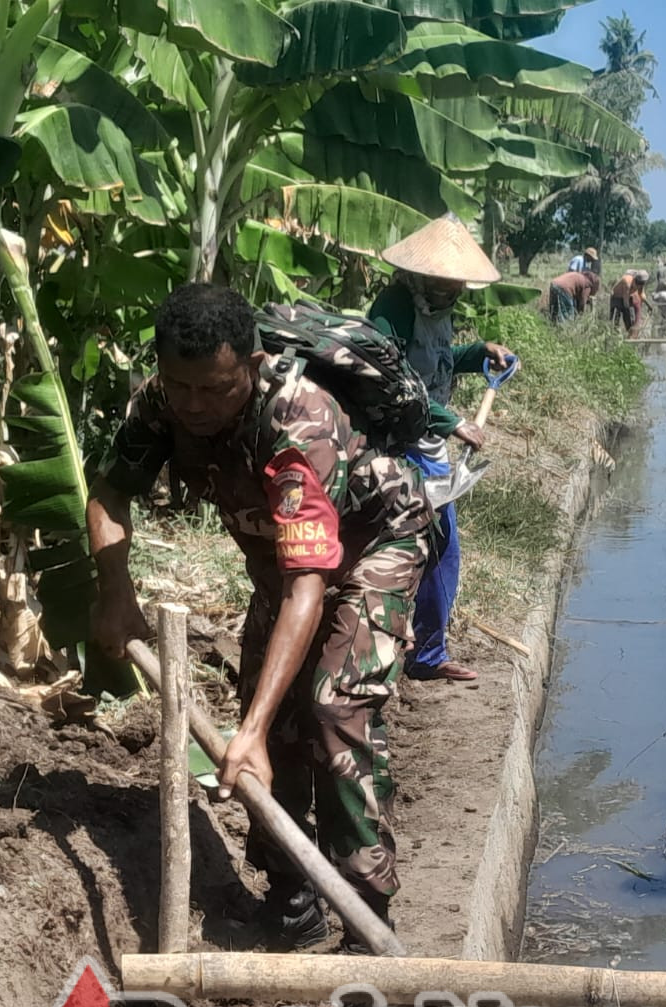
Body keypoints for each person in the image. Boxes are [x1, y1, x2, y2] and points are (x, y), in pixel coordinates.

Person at [88, 283, 433, 947]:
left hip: (374, 543)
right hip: (283, 559)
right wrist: (115, 591)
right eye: (180, 386)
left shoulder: (299, 421)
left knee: (334, 708)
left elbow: (310, 586)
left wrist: (247, 730)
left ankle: (366, 915)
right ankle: (292, 894)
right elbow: (109, 492)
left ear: (251, 364)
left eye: (215, 389)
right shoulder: (162, 403)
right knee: (269, 726)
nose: (194, 405)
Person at [368, 214, 515, 684]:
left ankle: (426, 652)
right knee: (420, 547)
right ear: (422, 275)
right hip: (396, 445)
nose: (451, 291)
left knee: (441, 550)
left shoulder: (437, 308)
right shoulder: (393, 308)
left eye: (456, 285)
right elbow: (391, 382)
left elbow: (438, 362)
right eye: (444, 283)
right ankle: (403, 651)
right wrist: (453, 423)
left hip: (428, 444)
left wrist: (480, 353)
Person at [609, 269, 648, 336]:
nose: (639, 286)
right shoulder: (627, 282)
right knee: (615, 319)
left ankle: (631, 335)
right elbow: (625, 301)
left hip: (628, 297)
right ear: (635, 279)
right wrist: (628, 312)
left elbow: (641, 295)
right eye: (639, 284)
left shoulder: (641, 284)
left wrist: (648, 304)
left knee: (630, 320)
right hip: (616, 298)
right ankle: (615, 335)